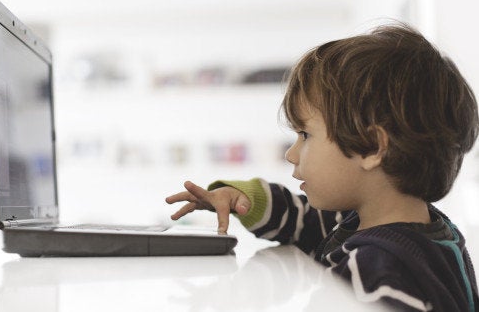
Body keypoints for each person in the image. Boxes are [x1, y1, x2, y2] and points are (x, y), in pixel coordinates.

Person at [166, 23, 479, 311]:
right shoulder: (420, 231)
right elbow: (299, 219)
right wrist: (238, 197)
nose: (291, 153)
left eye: (305, 135)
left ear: (371, 147)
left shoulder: (377, 272)